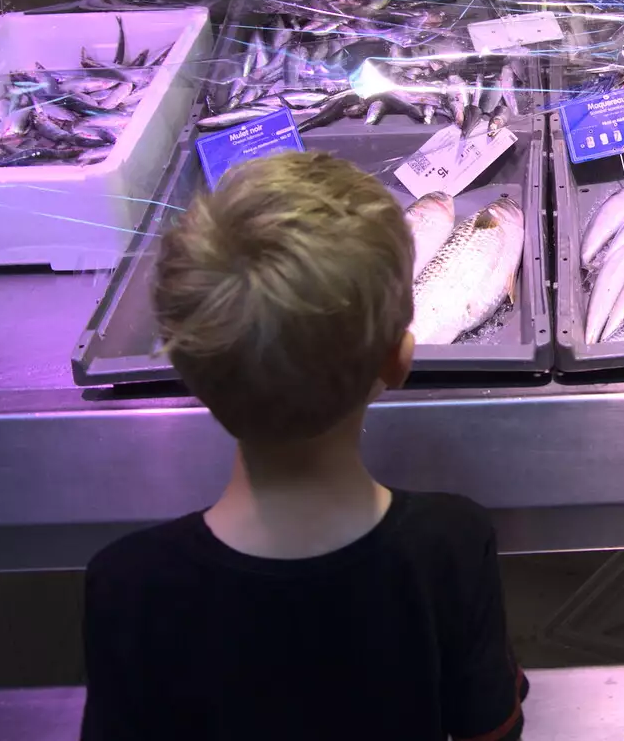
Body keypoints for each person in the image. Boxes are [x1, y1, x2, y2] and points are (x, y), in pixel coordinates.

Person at [81, 152, 527, 741]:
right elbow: (491, 732)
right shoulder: (451, 541)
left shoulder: (127, 581)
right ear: (399, 360)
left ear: (187, 371)